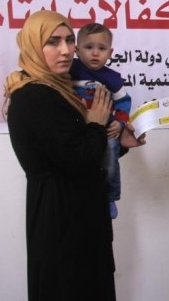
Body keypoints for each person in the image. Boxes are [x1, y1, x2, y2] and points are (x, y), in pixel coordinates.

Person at [3, 10, 144, 301]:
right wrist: (96, 123)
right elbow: (80, 158)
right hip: (61, 221)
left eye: (69, 40)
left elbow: (80, 150)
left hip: (81, 216)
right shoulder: (34, 97)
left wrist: (119, 142)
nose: (66, 50)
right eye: (53, 42)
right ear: (33, 46)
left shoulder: (62, 90)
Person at [70, 23, 131, 219]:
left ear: (110, 52)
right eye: (89, 47)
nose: (95, 53)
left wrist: (119, 123)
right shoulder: (69, 68)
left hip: (104, 127)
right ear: (76, 50)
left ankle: (110, 196)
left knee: (111, 151)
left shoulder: (112, 78)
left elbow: (123, 103)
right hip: (76, 127)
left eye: (102, 48)